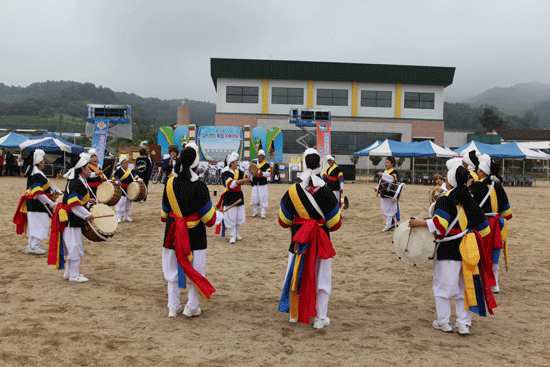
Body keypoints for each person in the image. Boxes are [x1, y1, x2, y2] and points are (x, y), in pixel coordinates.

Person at [409, 161, 496, 335]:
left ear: (449, 182)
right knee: (464, 288)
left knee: (442, 288)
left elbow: (440, 225)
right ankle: (463, 324)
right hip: (468, 251)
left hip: (448, 250)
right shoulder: (469, 201)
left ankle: (444, 322)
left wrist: (420, 222)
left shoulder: (445, 200)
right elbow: (485, 229)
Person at [278, 148, 342, 329]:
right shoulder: (328, 193)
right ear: (320, 166)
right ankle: (320, 318)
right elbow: (335, 224)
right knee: (322, 280)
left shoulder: (292, 191)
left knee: (294, 276)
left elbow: (283, 221)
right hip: (320, 244)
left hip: (299, 243)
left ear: (303, 165)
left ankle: (294, 315)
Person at [161, 143, 224, 318]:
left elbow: (164, 213)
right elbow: (209, 219)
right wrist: (219, 216)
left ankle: (173, 306)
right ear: (196, 165)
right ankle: (192, 306)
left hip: (173, 232)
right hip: (195, 235)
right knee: (196, 269)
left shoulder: (169, 183)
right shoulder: (200, 186)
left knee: (172, 269)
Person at [468, 154, 512, 294]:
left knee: (480, 252)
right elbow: (507, 213)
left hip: (480, 225)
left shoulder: (475, 187)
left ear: (481, 172)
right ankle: (494, 284)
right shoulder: (498, 187)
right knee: (494, 253)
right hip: (496, 225)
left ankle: (481, 282)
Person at [48, 153, 95, 282]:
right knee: (74, 245)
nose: (89, 169)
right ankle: (74, 275)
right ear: (81, 169)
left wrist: (88, 201)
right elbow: (74, 205)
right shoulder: (76, 183)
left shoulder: (77, 181)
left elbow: (76, 201)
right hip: (72, 218)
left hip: (70, 217)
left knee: (71, 244)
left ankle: (69, 273)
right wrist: (87, 215)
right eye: (87, 167)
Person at [13, 149, 60, 255]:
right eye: (43, 161)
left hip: (35, 204)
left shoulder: (37, 173)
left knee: (35, 225)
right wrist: (50, 202)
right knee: (40, 224)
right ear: (39, 163)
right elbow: (38, 193)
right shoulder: (35, 175)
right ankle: (34, 246)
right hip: (36, 204)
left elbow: (44, 187)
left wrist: (53, 189)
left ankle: (32, 246)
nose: (44, 163)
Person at [218, 152, 249, 244]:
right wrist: (242, 181)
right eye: (235, 162)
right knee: (231, 216)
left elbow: (247, 175)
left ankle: (236, 233)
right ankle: (232, 235)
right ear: (231, 163)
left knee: (239, 216)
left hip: (239, 195)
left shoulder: (238, 171)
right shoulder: (225, 172)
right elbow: (230, 185)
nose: (237, 163)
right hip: (230, 197)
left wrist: (252, 172)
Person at [112, 155, 142, 222]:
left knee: (128, 202)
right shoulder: (118, 171)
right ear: (121, 164)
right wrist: (117, 182)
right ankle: (118, 217)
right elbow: (114, 179)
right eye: (124, 163)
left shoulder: (130, 171)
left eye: (126, 163)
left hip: (130, 188)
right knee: (121, 202)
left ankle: (126, 216)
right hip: (122, 189)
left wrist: (139, 179)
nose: (126, 164)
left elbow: (135, 176)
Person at [375, 156, 400, 231]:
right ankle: (391, 224)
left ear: (392, 164)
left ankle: (388, 225)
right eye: (385, 162)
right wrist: (377, 188)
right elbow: (381, 182)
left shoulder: (394, 172)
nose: (386, 164)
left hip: (390, 193)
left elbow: (392, 178)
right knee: (384, 209)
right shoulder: (385, 171)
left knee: (389, 210)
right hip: (384, 193)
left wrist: (383, 174)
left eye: (387, 162)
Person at [250, 149, 271, 218]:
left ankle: (263, 213)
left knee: (263, 198)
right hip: (255, 183)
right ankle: (255, 212)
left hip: (263, 184)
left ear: (264, 157)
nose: (260, 157)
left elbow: (269, 173)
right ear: (258, 156)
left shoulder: (266, 165)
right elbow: (250, 172)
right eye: (259, 156)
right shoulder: (254, 163)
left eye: (262, 156)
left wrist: (262, 173)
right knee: (254, 197)